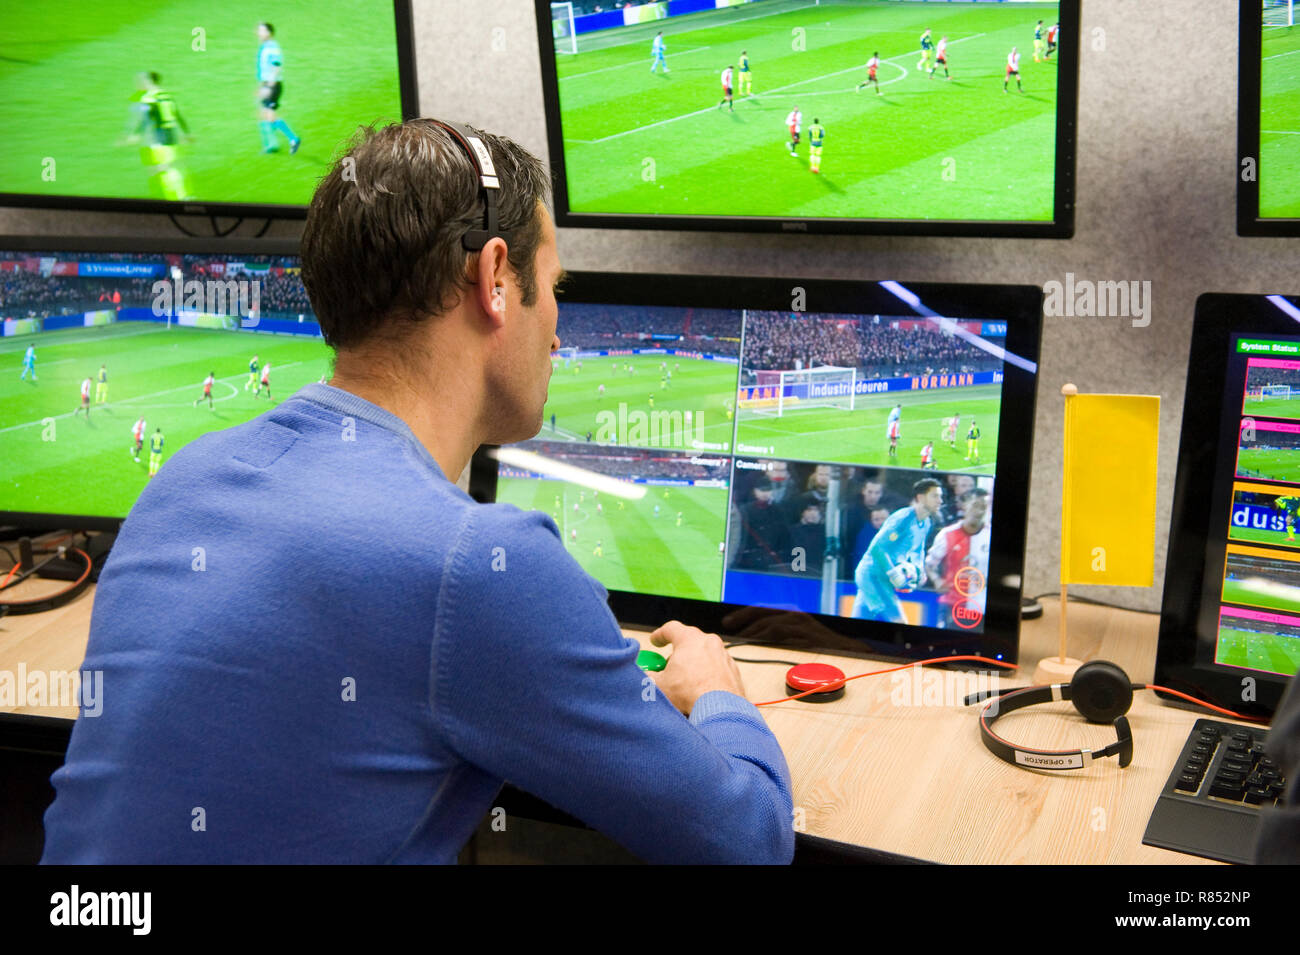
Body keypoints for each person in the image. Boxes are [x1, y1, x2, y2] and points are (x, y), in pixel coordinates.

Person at [41, 118, 792, 865]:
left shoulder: (180, 482)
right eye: (554, 288)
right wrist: (718, 692)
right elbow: (751, 841)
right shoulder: (482, 565)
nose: (558, 331)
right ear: (495, 279)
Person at [852, 479, 943, 623]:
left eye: (940, 496)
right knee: (900, 623)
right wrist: (892, 572)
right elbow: (877, 548)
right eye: (935, 496)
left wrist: (919, 571)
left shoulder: (926, 523)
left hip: (880, 578)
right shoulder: (903, 518)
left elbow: (917, 551)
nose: (940, 501)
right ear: (920, 498)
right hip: (873, 575)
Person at [256, 22, 301, 154]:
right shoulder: (265, 47)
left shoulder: (272, 47)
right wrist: (261, 85)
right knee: (264, 114)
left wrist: (269, 85)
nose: (259, 33)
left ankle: (293, 139)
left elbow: (276, 66)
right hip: (267, 83)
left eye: (262, 31)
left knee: (269, 116)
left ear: (269, 32)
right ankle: (271, 145)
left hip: (273, 85)